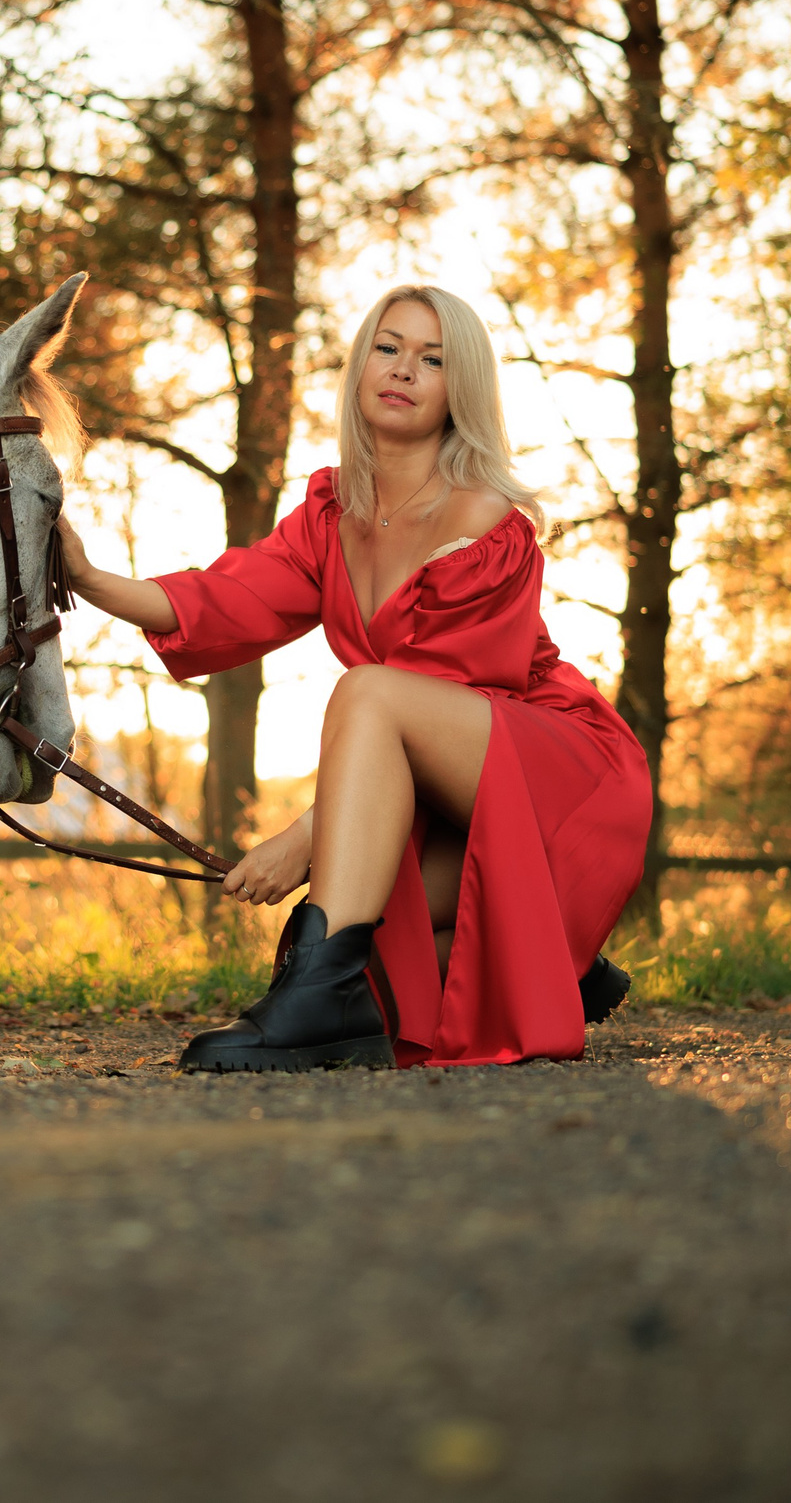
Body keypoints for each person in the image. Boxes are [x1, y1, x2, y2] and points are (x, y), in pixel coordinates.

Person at [58, 285, 650, 1071]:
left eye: (433, 359)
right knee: (377, 948)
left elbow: (440, 692)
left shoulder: (482, 520)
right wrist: (90, 578)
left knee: (366, 695)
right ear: (362, 364)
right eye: (388, 347)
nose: (403, 369)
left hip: (559, 771)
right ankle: (561, 960)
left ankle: (325, 1002)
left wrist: (301, 841)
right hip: (454, 795)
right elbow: (223, 599)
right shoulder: (332, 514)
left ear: (461, 389)